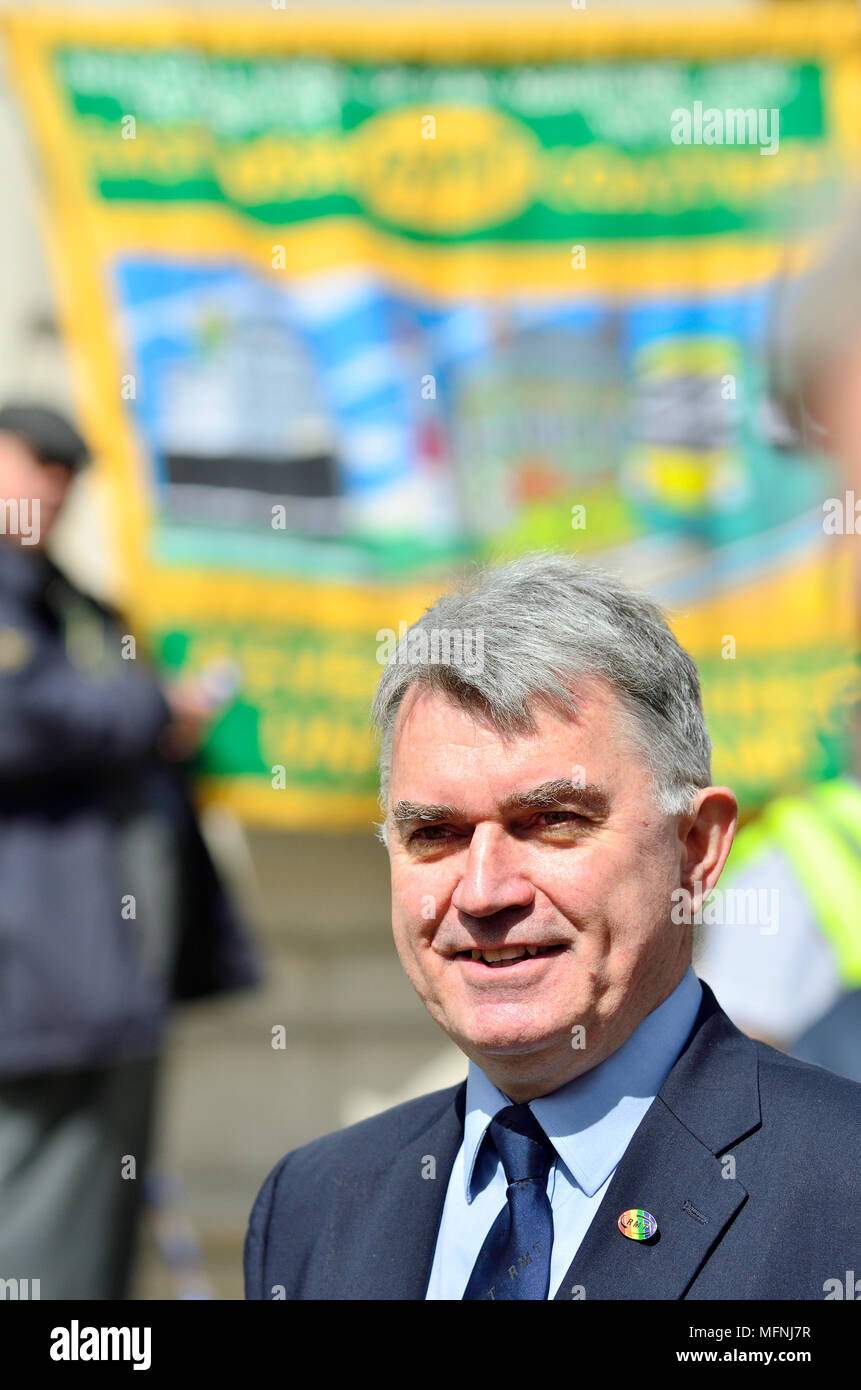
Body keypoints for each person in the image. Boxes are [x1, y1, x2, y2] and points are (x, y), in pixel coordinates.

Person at [244, 550, 861, 1301]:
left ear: (694, 848)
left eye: (550, 822)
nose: (481, 892)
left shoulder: (840, 1186)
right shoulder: (314, 1207)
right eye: (434, 833)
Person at [0, 402, 259, 1299]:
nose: (54, 488)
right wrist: (154, 711)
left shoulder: (69, 601)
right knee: (37, 1249)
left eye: (67, 471)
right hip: (31, 989)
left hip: (102, 984)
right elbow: (17, 718)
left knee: (91, 1250)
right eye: (36, 463)